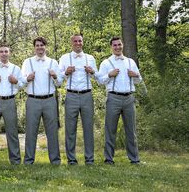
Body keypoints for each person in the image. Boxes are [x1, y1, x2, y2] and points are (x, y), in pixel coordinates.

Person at [98, 36, 142, 164]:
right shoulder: (106, 63)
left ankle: (134, 159)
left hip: (129, 98)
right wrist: (109, 75)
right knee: (110, 129)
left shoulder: (130, 62)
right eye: (115, 45)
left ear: (122, 45)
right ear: (111, 47)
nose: (117, 47)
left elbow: (138, 80)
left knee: (131, 130)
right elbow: (100, 81)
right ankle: (109, 159)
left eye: (119, 44)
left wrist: (136, 75)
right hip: (113, 98)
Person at [21, 36, 62, 165]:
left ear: (45, 47)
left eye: (42, 45)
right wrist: (28, 78)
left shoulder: (53, 62)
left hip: (49, 100)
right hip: (33, 100)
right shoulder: (27, 62)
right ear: (34, 48)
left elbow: (59, 83)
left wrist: (55, 76)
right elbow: (21, 82)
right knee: (31, 131)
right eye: (37, 45)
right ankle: (28, 160)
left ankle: (55, 161)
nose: (40, 47)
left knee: (52, 132)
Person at [58, 34, 98, 165]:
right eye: (75, 41)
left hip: (87, 94)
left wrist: (92, 72)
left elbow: (98, 77)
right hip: (71, 95)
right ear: (71, 43)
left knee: (88, 128)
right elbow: (58, 79)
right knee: (70, 129)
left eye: (80, 41)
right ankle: (71, 160)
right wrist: (66, 72)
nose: (78, 43)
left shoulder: (90, 58)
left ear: (83, 42)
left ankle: (90, 159)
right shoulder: (64, 58)